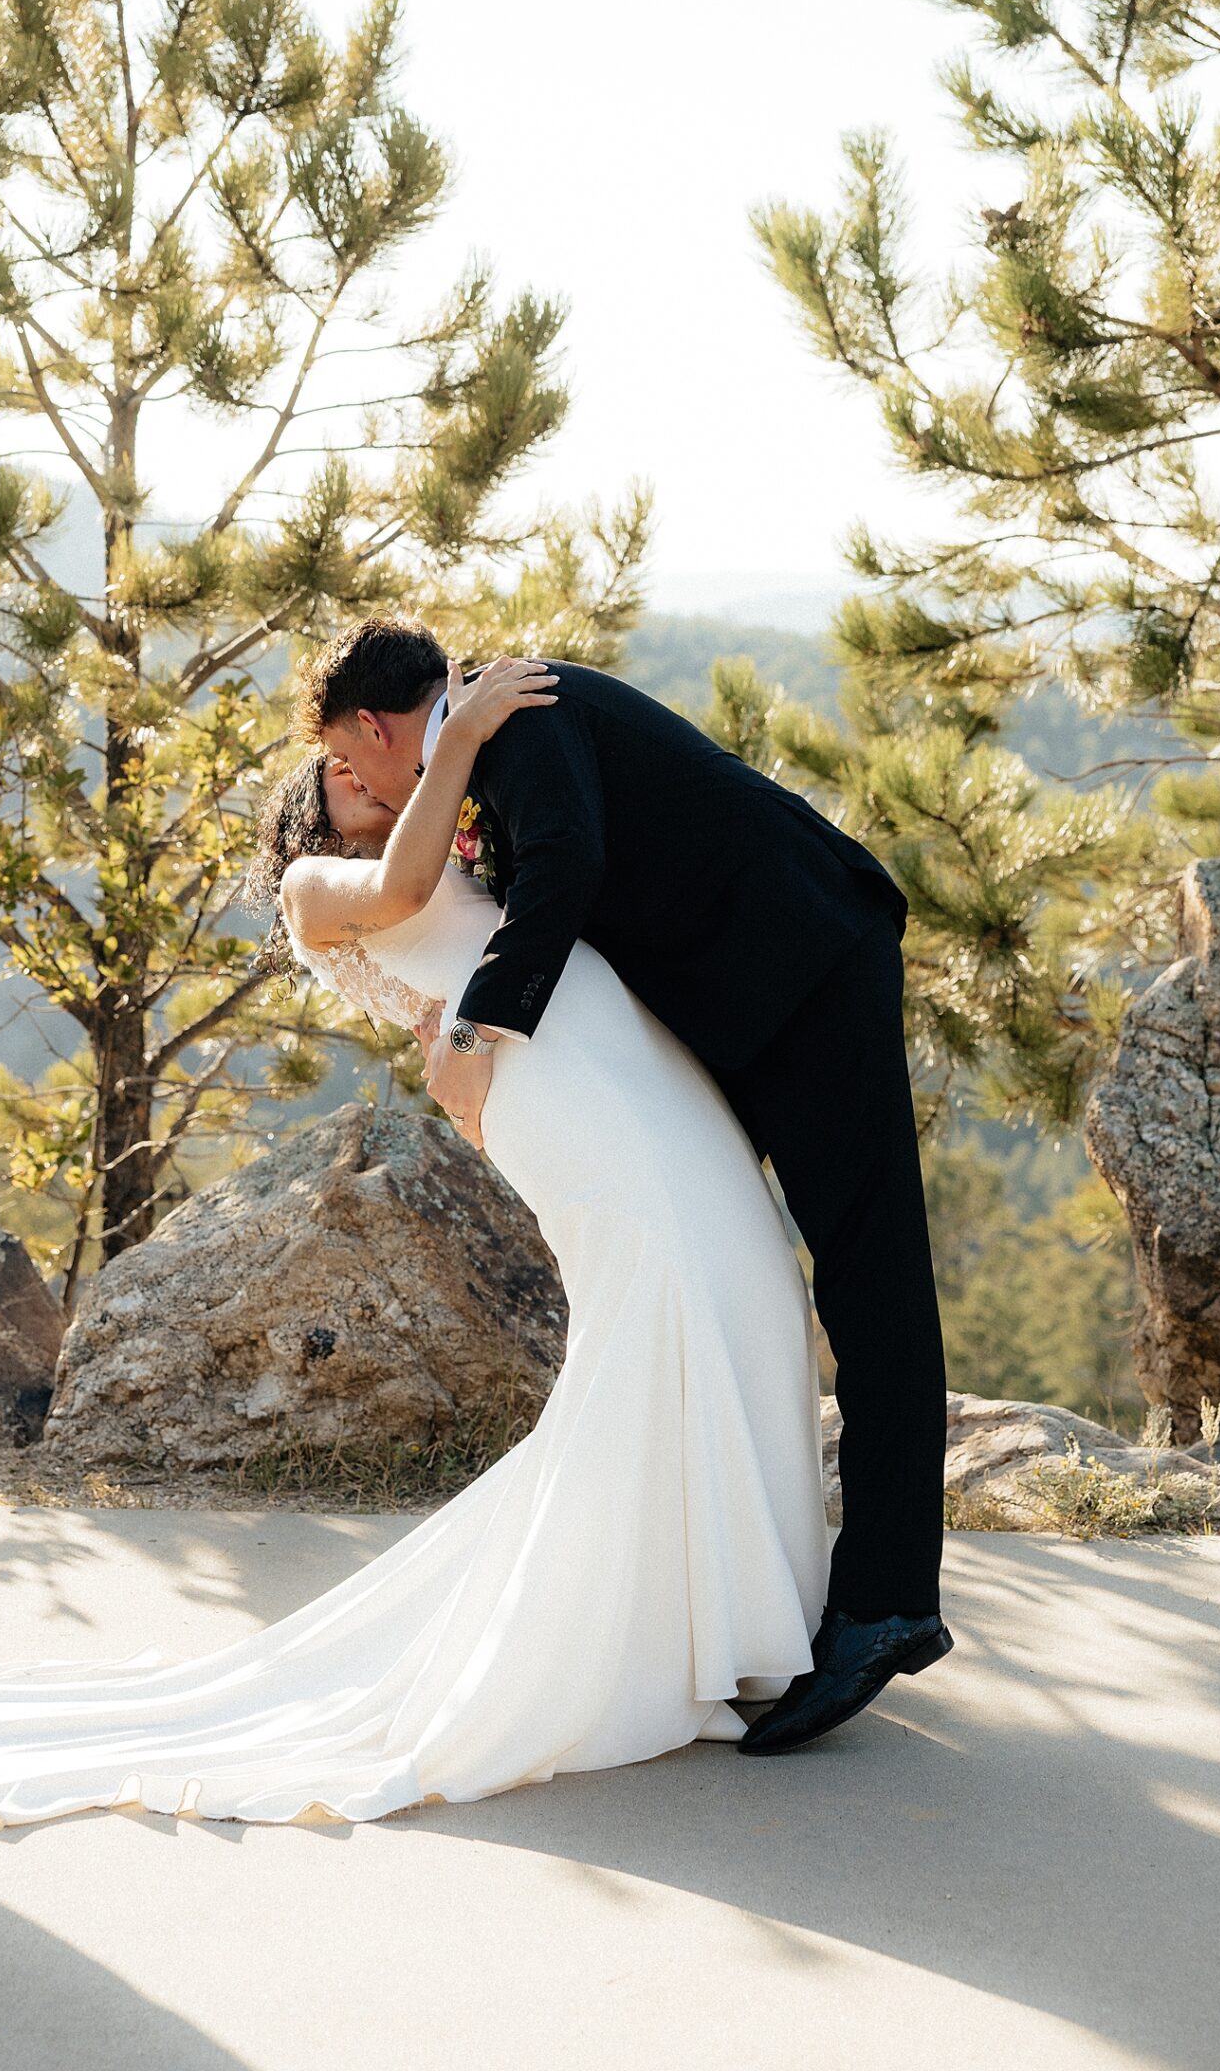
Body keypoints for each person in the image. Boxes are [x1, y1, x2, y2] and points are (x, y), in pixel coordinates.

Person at [0, 653, 833, 1827]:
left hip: (614, 1057)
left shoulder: (445, 829)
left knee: (737, 1271)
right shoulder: (315, 886)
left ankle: (730, 1607)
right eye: (337, 775)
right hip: (548, 1080)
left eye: (362, 762)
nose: (362, 778)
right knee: (657, 1292)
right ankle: (656, 1628)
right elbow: (401, 890)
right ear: (307, 813)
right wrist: (458, 736)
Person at [313, 617, 951, 1756]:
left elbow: (569, 864)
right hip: (747, 1010)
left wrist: (480, 1024)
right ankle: (759, 1598)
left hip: (806, 963)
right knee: (764, 1268)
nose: (357, 784)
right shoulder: (488, 738)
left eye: (354, 764)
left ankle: (887, 1603)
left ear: (374, 722)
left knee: (870, 1273)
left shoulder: (515, 718)